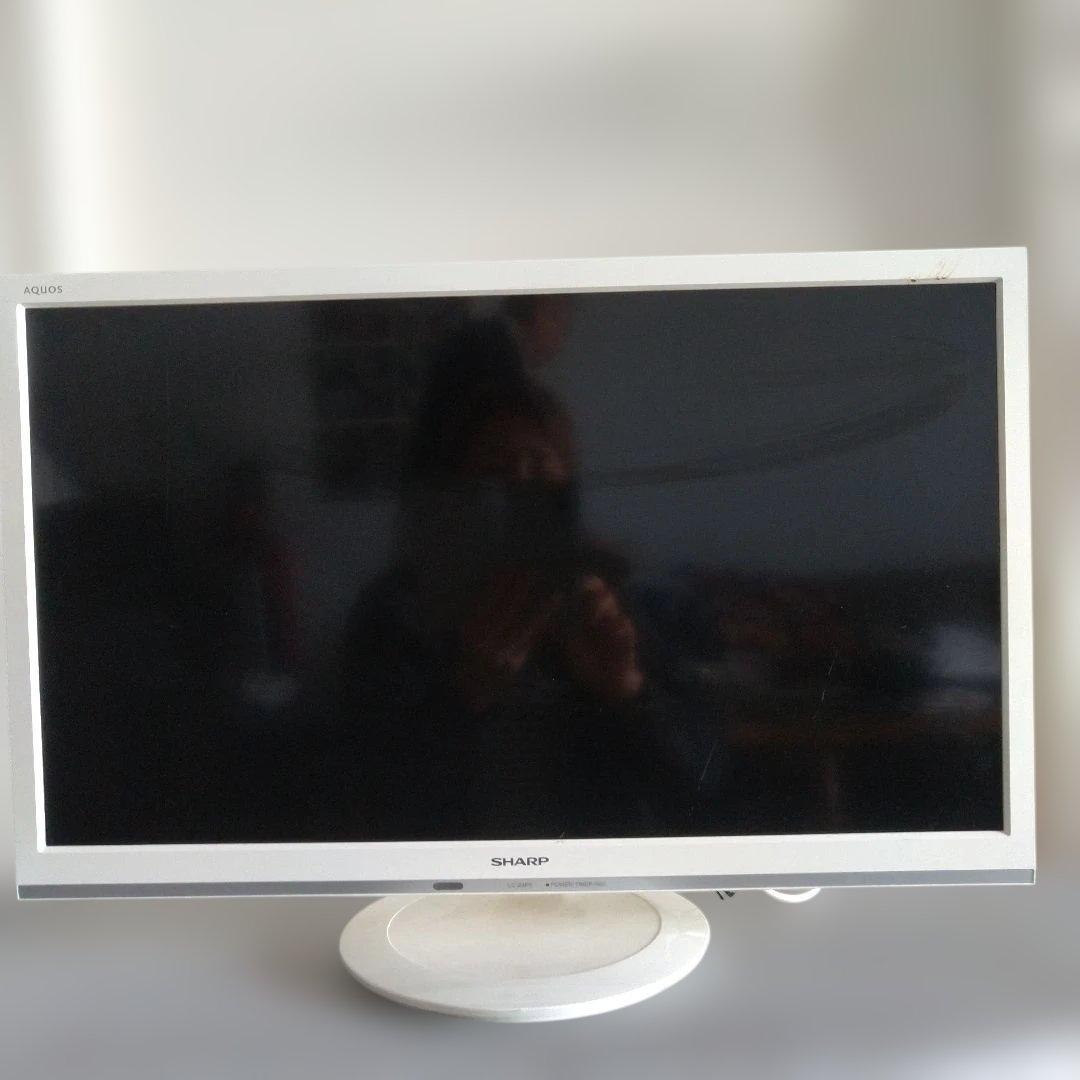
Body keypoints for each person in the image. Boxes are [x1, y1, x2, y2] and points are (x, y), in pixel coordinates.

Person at [333, 321, 719, 840]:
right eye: (494, 472)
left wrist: (629, 693)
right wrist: (464, 695)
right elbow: (360, 808)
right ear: (453, 494)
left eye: (538, 467)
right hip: (456, 877)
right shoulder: (396, 612)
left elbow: (700, 786)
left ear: (567, 485)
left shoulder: (607, 600)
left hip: (598, 874)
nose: (519, 491)